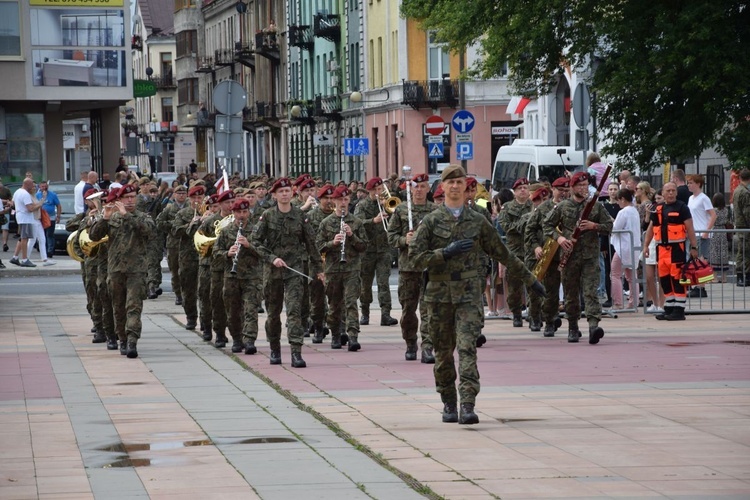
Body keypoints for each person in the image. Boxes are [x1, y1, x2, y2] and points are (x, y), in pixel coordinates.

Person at [411, 165, 546, 425]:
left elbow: (502, 253)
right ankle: (448, 401)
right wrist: (444, 253)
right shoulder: (430, 221)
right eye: (450, 183)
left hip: (469, 296)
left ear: (465, 186)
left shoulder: (477, 221)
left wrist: (531, 279)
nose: (454, 187)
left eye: (459, 182)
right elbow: (415, 260)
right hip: (438, 297)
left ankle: (468, 404)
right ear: (442, 188)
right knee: (443, 353)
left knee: (467, 348)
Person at [252, 177, 324, 368]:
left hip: (294, 270)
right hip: (273, 272)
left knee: (294, 312)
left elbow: (311, 244)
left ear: (292, 193)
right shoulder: (267, 216)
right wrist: (271, 258)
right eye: (280, 192)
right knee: (273, 314)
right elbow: (256, 242)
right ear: (274, 195)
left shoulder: (300, 216)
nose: (284, 194)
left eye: (287, 191)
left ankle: (296, 353)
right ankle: (275, 349)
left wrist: (319, 269)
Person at [544, 171, 614, 344]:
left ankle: (593, 326)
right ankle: (573, 327)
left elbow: (609, 226)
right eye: (580, 185)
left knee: (591, 292)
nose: (583, 188)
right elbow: (547, 225)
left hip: (590, 256)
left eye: (585, 185)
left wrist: (594, 225)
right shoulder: (563, 206)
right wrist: (560, 239)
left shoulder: (595, 206)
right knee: (571, 293)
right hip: (570, 256)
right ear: (572, 187)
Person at [90, 184, 155, 358]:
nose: (130, 200)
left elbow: (148, 231)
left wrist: (127, 216)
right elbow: (93, 236)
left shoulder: (143, 217)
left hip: (136, 271)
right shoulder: (112, 218)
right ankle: (123, 339)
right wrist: (104, 218)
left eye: (133, 197)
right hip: (115, 270)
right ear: (120, 200)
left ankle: (132, 340)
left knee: (133, 307)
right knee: (118, 308)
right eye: (127, 197)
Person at [387, 172, 436, 362]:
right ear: (410, 189)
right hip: (408, 268)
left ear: (428, 189)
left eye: (423, 186)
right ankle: (410, 342)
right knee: (408, 310)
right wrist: (403, 239)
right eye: (416, 186)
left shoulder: (434, 211)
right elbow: (391, 236)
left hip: (428, 267)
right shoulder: (401, 211)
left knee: (428, 310)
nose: (419, 190)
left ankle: (427, 347)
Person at [316, 185, 368, 350]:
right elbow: (318, 247)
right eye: (340, 200)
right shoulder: (326, 223)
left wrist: (351, 236)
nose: (343, 203)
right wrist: (333, 243)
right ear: (334, 201)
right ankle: (336, 334)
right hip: (332, 269)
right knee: (334, 304)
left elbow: (364, 246)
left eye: (346, 199)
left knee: (351, 302)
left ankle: (353, 336)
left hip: (352, 268)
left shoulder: (356, 222)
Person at [643, 182, 699, 321]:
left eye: (673, 190)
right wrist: (645, 246)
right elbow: (651, 229)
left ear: (676, 192)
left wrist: (694, 247)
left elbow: (690, 228)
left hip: (676, 250)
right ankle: (669, 308)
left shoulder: (682, 207)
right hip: (661, 249)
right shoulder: (658, 208)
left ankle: (679, 310)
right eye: (668, 190)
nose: (671, 193)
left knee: (677, 279)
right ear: (662, 193)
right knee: (665, 280)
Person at [215, 198, 263, 355]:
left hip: (252, 276)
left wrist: (249, 245)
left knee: (251, 309)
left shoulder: (256, 231)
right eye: (238, 212)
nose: (242, 215)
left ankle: (249, 340)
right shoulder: (225, 231)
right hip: (231, 277)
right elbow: (215, 254)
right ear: (233, 213)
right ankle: (236, 339)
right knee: (233, 310)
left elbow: (264, 252)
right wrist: (227, 253)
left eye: (244, 212)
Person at [354, 177, 398, 327]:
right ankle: (365, 313)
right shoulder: (362, 205)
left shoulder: (387, 204)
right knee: (365, 284)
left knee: (383, 283)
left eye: (381, 189)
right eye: (376, 190)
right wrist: (374, 220)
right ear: (370, 191)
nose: (379, 192)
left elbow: (395, 222)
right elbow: (357, 224)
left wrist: (389, 210)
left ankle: (386, 314)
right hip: (367, 251)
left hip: (384, 249)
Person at [497, 177, 532, 327]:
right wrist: (524, 221)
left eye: (525, 187)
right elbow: (507, 227)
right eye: (520, 188)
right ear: (515, 192)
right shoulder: (507, 208)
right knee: (514, 287)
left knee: (533, 284)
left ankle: (534, 314)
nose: (523, 190)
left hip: (532, 250)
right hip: (515, 252)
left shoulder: (534, 206)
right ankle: (517, 314)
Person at [172, 185, 207, 330]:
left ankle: (206, 321)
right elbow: (175, 231)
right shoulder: (183, 213)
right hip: (188, 256)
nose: (197, 201)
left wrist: (207, 219)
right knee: (188, 290)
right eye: (194, 198)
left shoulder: (210, 212)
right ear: (189, 199)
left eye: (200, 198)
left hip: (205, 256)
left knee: (205, 291)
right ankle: (191, 317)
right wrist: (191, 223)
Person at [306, 184, 336, 343]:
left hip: (336, 261)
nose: (329, 201)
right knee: (317, 298)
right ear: (320, 199)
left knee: (336, 297)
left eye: (332, 198)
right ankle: (318, 327)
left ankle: (338, 328)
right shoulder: (311, 216)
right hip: (317, 261)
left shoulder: (339, 215)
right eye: (326, 198)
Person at [156, 185, 189, 305]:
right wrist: (173, 225)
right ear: (174, 195)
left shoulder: (191, 207)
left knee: (188, 271)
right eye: (178, 193)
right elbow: (159, 223)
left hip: (188, 243)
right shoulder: (169, 209)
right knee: (175, 271)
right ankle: (178, 295)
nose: (181, 195)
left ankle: (188, 294)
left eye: (183, 193)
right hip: (173, 244)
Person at [610, 189, 641, 310]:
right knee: (631, 275)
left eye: (618, 200)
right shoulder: (634, 211)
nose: (618, 203)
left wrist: (611, 223)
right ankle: (634, 302)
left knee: (615, 274)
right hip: (633, 246)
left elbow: (616, 228)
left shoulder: (623, 212)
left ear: (622, 199)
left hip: (623, 247)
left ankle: (618, 302)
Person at [686, 174, 716, 298]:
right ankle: (695, 284)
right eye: (688, 183)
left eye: (691, 182)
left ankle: (701, 287)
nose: (689, 185)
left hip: (701, 232)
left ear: (698, 184)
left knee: (701, 260)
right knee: (694, 259)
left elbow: (713, 215)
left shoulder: (704, 198)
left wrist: (707, 230)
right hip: (694, 232)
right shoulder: (691, 198)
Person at [9, 178, 44, 267]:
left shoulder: (17, 192)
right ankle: (25, 259)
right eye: (32, 185)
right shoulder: (25, 194)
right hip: (25, 218)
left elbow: (12, 203)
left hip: (20, 217)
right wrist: (40, 204)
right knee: (25, 239)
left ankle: (15, 257)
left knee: (21, 238)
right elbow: (30, 209)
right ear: (27, 184)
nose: (33, 186)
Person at [644, 189, 666, 312]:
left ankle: (661, 304)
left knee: (661, 275)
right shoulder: (654, 211)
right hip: (652, 243)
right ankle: (655, 302)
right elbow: (647, 227)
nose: (657, 201)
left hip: (664, 244)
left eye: (659, 199)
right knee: (649, 276)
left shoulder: (669, 209)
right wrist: (645, 245)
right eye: (656, 199)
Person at [36, 181, 61, 258]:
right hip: (41, 218)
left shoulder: (53, 195)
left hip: (51, 217)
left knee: (49, 234)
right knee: (42, 235)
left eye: (45, 186)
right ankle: (44, 250)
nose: (44, 188)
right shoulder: (37, 195)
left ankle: (50, 251)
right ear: (40, 187)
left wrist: (58, 216)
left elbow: (58, 205)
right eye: (42, 186)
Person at [733, 169, 750, 287]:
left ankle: (740, 276)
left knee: (742, 250)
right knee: (746, 251)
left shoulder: (737, 190)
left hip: (739, 224)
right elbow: (747, 212)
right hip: (745, 225)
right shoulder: (745, 192)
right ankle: (746, 276)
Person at [709, 192, 731, 279]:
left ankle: (714, 277)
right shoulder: (726, 210)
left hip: (715, 231)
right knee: (723, 253)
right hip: (723, 231)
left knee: (714, 253)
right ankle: (724, 277)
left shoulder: (713, 211)